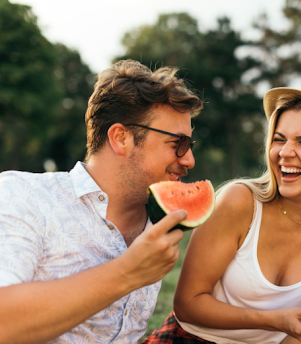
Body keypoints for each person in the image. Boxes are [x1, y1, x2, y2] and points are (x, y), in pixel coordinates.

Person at [144, 79, 301, 344]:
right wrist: (274, 320)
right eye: (279, 139)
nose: (285, 152)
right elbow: (187, 305)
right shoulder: (240, 201)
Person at [0, 60, 203, 343]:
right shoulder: (24, 196)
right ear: (121, 138)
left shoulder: (155, 226)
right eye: (177, 144)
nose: (189, 159)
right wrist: (128, 272)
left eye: (190, 146)